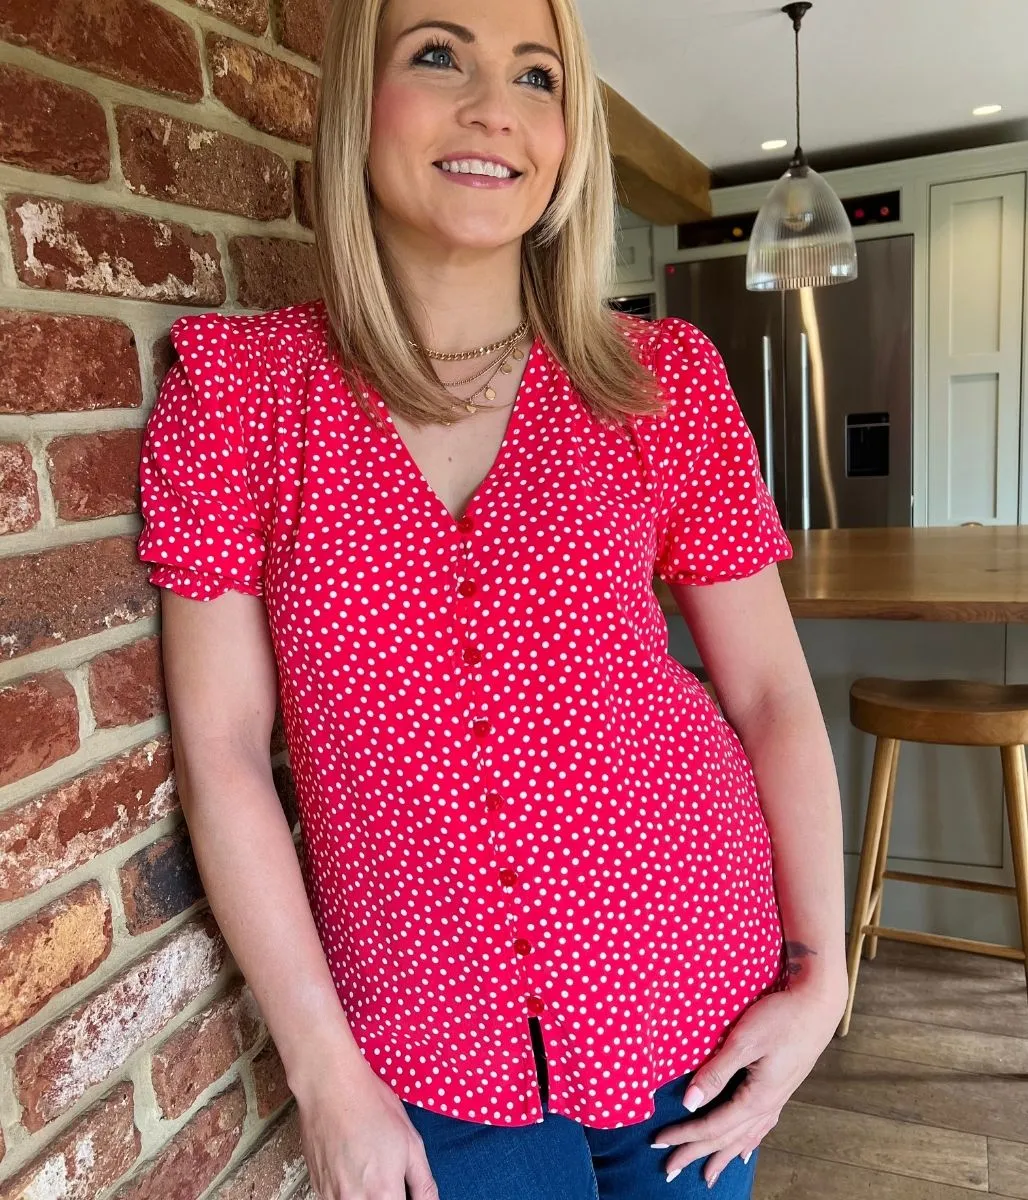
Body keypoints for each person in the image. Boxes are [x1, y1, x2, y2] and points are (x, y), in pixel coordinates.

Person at [135, 0, 848, 1196]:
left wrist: (820, 972)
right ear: (358, 99)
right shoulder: (242, 395)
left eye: (536, 77)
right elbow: (220, 753)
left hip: (690, 989)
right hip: (418, 1044)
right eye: (436, 55)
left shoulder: (654, 381)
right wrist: (321, 1072)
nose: (494, 110)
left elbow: (771, 691)